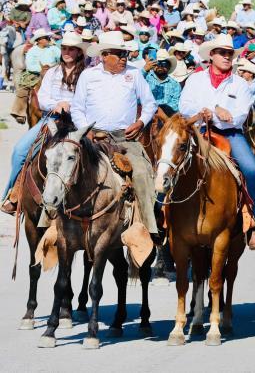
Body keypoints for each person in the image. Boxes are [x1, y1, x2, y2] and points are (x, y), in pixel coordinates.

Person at [178, 34, 255, 250]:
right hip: (198, 132)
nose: (227, 57)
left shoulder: (240, 84)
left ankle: (251, 223)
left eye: (230, 53)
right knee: (172, 165)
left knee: (252, 170)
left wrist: (213, 111)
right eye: (222, 53)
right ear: (211, 55)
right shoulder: (195, 79)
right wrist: (208, 111)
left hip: (230, 134)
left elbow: (237, 116)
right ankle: (164, 217)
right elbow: (184, 106)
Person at [70, 30, 159, 239]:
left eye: (125, 54)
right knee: (66, 167)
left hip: (123, 138)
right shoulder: (88, 75)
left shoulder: (134, 74)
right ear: (104, 55)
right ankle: (51, 220)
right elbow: (77, 108)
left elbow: (149, 103)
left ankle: (150, 226)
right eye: (118, 54)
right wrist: (86, 131)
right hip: (92, 136)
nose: (123, 58)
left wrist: (140, 121)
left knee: (142, 172)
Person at [2, 32, 88, 214]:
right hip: (52, 119)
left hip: (77, 120)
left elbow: (90, 98)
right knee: (19, 152)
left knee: (97, 152)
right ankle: (13, 194)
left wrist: (71, 105)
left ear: (79, 52)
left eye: (71, 49)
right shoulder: (52, 72)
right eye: (64, 48)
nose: (66, 52)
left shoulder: (86, 75)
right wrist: (56, 105)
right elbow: (42, 99)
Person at [11, 28, 60, 124]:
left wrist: (54, 68)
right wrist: (41, 70)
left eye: (48, 38)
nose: (48, 40)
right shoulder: (32, 51)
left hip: (53, 73)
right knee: (24, 88)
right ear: (39, 40)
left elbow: (60, 59)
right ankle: (19, 112)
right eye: (46, 38)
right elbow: (30, 65)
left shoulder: (54, 49)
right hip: (35, 74)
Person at [143, 48, 181, 113]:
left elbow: (175, 104)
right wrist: (144, 70)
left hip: (166, 117)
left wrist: (160, 111)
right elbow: (134, 83)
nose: (160, 66)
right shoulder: (146, 78)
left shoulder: (175, 84)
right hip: (146, 115)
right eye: (157, 63)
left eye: (164, 64)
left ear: (169, 66)